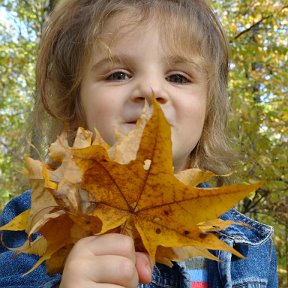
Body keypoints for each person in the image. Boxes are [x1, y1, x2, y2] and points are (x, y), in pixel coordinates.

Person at [0, 0, 277, 287]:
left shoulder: (250, 247)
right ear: (75, 106)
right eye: (118, 74)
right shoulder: (43, 222)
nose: (150, 89)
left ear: (208, 111)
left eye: (178, 77)